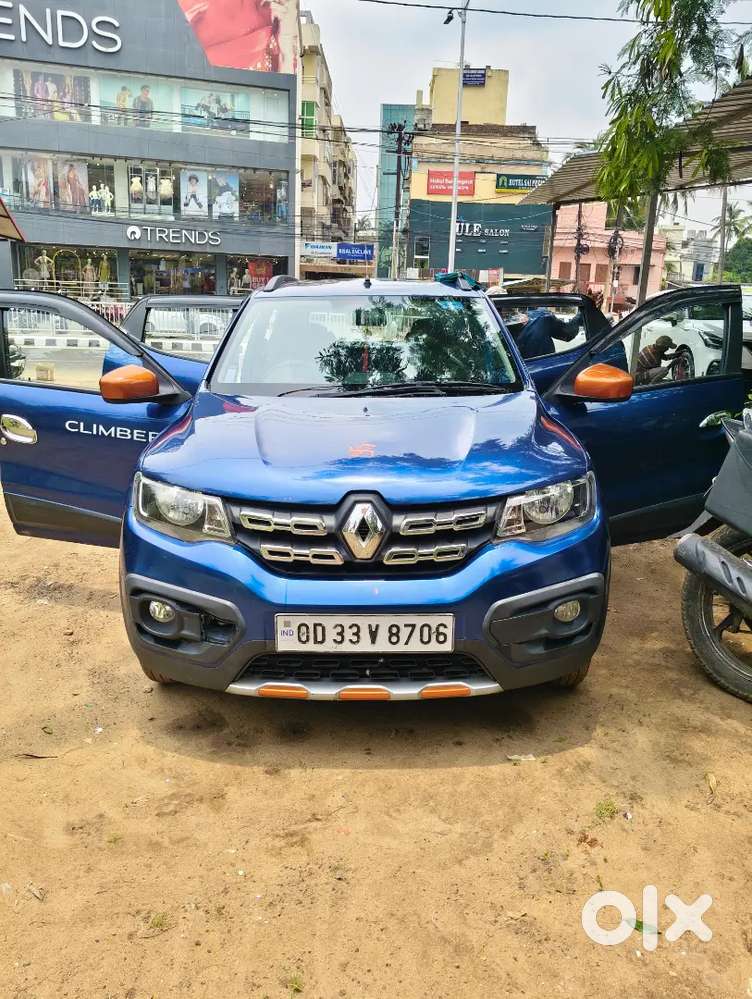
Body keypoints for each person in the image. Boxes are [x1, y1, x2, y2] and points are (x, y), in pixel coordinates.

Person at [514, 307, 583, 360]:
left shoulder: (510, 316)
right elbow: (567, 333)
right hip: (542, 365)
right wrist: (579, 316)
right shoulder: (543, 315)